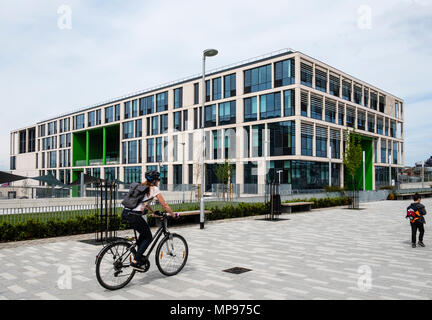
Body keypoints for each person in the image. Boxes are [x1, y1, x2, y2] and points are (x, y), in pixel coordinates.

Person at [122, 170, 178, 271]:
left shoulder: (141, 186)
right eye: (159, 179)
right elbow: (164, 205)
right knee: (148, 237)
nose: (159, 181)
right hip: (135, 216)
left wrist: (153, 212)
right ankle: (135, 262)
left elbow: (145, 203)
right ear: (155, 180)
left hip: (126, 213)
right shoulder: (154, 189)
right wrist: (173, 215)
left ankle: (138, 257)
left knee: (143, 235)